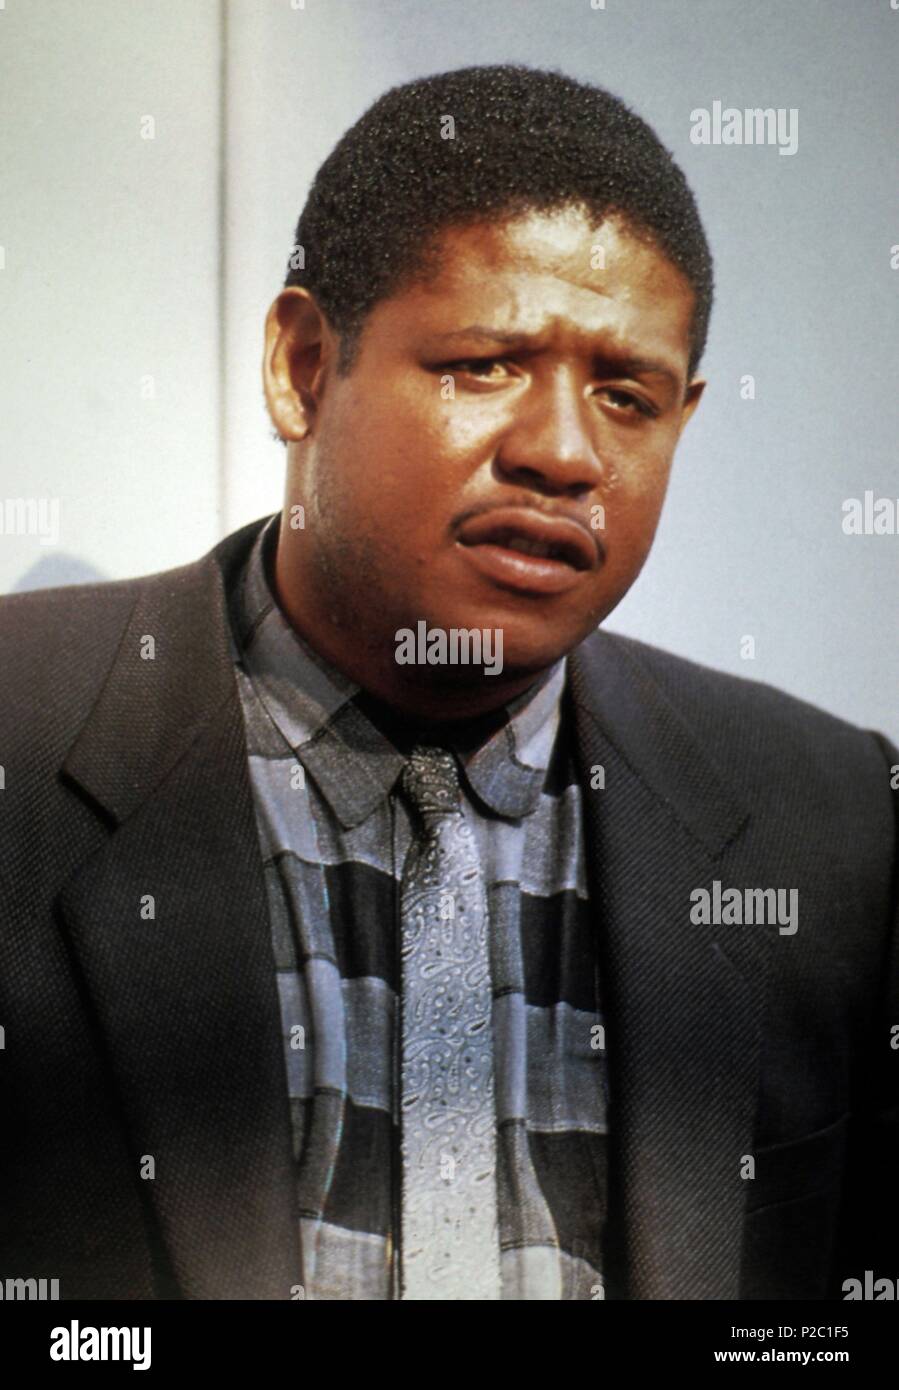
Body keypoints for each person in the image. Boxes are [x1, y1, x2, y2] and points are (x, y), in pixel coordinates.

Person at [1, 64, 896, 1302]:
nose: (564, 452)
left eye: (624, 396)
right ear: (303, 366)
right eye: (484, 365)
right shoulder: (22, 735)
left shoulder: (834, 822)